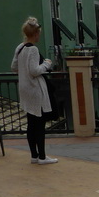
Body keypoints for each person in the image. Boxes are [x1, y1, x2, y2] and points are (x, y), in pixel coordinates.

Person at [10, 17, 58, 165]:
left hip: (24, 89)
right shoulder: (33, 49)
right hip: (35, 90)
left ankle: (34, 155)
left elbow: (13, 67)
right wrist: (46, 64)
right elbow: (35, 70)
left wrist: (23, 70)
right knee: (40, 124)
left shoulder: (20, 47)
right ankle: (42, 157)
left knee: (31, 123)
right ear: (35, 33)